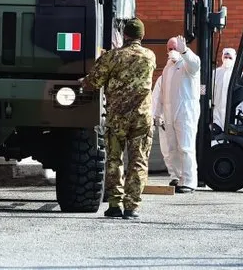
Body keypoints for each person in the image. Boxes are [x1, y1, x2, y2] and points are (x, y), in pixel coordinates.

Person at [80, 18, 157, 219]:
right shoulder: (150, 56)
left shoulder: (113, 57)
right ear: (142, 36)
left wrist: (84, 82)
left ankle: (114, 205)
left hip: (118, 117)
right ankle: (132, 208)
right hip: (142, 117)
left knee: (114, 160)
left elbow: (94, 82)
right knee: (138, 162)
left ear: (125, 35)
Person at [152, 35, 201, 193]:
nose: (172, 51)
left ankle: (189, 181)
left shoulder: (187, 65)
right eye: (170, 49)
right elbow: (160, 94)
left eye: (175, 48)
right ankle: (180, 177)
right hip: (170, 113)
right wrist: (156, 114)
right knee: (172, 147)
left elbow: (195, 64)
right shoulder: (167, 68)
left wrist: (185, 51)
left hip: (185, 111)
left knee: (186, 147)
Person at [212, 48, 243, 131]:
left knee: (230, 136)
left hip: (233, 112)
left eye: (230, 58)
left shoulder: (239, 75)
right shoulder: (215, 73)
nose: (227, 59)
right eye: (225, 57)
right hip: (217, 112)